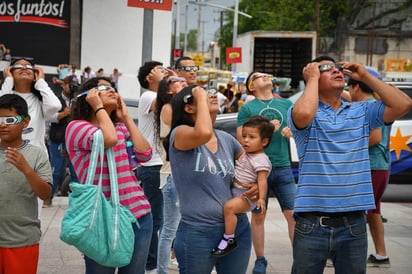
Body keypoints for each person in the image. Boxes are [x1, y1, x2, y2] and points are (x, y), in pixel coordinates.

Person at [288, 56, 412, 273]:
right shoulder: (305, 112)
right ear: (313, 76)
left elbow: (403, 104)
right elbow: (304, 114)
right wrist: (312, 80)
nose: (336, 71)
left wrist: (365, 76)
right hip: (311, 224)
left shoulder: (361, 111)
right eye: (327, 68)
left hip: (354, 224)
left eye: (338, 68)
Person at [65, 76, 153, 274]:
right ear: (88, 97)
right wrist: (99, 108)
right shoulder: (76, 127)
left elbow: (145, 154)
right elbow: (109, 139)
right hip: (101, 217)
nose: (112, 90)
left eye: (113, 87)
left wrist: (127, 118)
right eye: (103, 88)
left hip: (139, 213)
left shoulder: (120, 126)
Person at [166, 85, 258, 274]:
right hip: (198, 232)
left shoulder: (226, 139)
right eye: (202, 94)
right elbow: (203, 133)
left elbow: (253, 166)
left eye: (209, 92)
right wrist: (200, 95)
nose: (211, 94)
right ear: (188, 108)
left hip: (236, 228)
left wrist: (257, 184)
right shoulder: (180, 134)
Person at [237, 71, 296, 274]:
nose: (265, 76)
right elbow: (241, 139)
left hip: (283, 166)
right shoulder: (248, 108)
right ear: (252, 87)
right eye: (259, 76)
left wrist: (293, 131)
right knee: (259, 215)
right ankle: (260, 259)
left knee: (293, 215)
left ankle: (300, 259)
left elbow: (300, 127)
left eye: (266, 75)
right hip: (257, 170)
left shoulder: (287, 105)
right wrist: (267, 129)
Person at [0, 94, 52, 274]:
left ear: (25, 122)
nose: (3, 124)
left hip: (22, 241)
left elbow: (45, 195)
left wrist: (26, 169)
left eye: (9, 119)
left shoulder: (37, 155)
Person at [1, 56, 61, 211]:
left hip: (35, 160)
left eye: (29, 67)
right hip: (5, 157)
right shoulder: (6, 91)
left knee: (33, 209)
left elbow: (55, 106)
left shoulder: (40, 100)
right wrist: (7, 81)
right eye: (18, 66)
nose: (24, 68)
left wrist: (41, 81)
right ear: (10, 71)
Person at [347, 71, 392, 267]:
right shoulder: (376, 104)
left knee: (356, 212)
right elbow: (347, 97)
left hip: (371, 166)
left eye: (349, 87)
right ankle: (381, 255)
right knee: (373, 212)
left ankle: (347, 254)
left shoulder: (370, 107)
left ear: (356, 87)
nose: (348, 92)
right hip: (379, 166)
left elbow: (374, 138)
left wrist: (345, 149)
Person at [212, 115, 273, 258]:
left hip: (246, 196)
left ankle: (229, 239)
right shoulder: (246, 154)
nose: (246, 140)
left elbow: (262, 181)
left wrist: (262, 199)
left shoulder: (261, 159)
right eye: (244, 136)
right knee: (227, 208)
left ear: (264, 141)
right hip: (237, 191)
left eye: (252, 137)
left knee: (229, 208)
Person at [137, 61, 169, 273]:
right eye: (160, 70)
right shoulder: (148, 96)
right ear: (149, 77)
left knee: (161, 218)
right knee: (154, 219)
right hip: (151, 166)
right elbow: (164, 100)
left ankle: (154, 262)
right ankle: (149, 265)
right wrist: (172, 83)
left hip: (160, 164)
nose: (165, 71)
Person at [154, 75, 187, 274]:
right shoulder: (168, 108)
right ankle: (161, 270)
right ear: (168, 90)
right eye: (177, 80)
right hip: (171, 175)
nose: (182, 81)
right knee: (169, 229)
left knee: (180, 227)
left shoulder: (180, 107)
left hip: (181, 175)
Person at [45, 76, 79, 207]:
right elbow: (48, 117)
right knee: (56, 170)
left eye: (74, 85)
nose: (71, 87)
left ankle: (77, 201)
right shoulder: (56, 100)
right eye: (69, 85)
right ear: (64, 85)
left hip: (74, 141)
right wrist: (63, 114)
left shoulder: (79, 100)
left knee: (75, 170)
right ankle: (48, 198)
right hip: (58, 139)